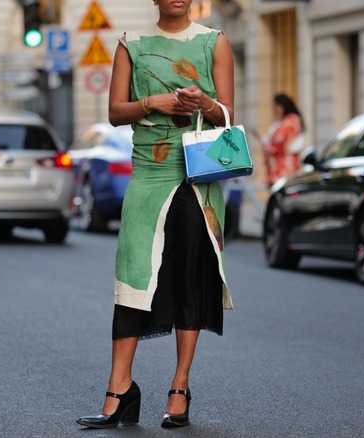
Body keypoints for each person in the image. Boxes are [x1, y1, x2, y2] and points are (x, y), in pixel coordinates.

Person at [76, 0, 235, 430]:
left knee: (188, 276)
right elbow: (114, 113)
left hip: (197, 176)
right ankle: (119, 388)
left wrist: (204, 102)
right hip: (147, 174)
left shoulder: (213, 43)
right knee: (132, 273)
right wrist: (153, 102)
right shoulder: (131, 44)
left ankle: (179, 387)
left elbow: (227, 117)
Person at [260, 93, 305, 185]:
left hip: (286, 165)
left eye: (276, 106)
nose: (275, 110)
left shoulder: (291, 120)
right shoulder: (282, 122)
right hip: (279, 164)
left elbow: (279, 141)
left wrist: (269, 146)